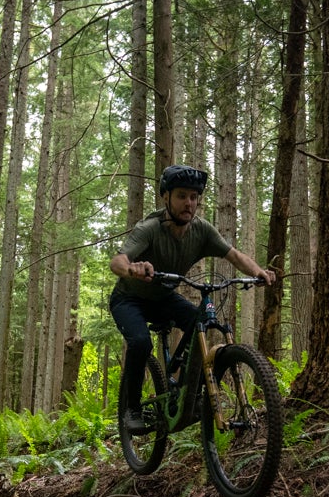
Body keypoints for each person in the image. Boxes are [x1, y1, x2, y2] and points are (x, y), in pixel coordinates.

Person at [109, 164, 276, 433]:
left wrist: (257, 271)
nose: (189, 203)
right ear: (166, 197)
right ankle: (132, 409)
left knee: (201, 322)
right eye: (182, 196)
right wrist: (132, 269)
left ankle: (193, 396)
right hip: (129, 299)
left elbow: (233, 255)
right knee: (140, 343)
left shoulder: (202, 230)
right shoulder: (149, 228)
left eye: (194, 197)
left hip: (164, 298)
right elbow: (117, 261)